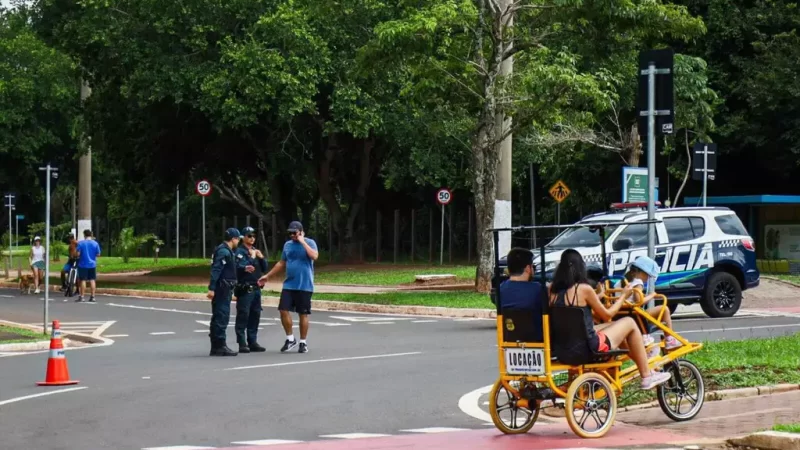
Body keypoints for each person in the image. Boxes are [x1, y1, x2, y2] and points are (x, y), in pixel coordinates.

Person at [548, 249, 671, 390]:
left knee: (614, 325)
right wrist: (623, 296)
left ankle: (643, 364)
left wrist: (599, 295)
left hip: (563, 349)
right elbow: (607, 314)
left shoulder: (552, 290)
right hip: (587, 348)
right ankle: (646, 375)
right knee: (629, 323)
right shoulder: (584, 289)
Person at [260, 221, 318, 354]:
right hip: (289, 284)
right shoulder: (287, 245)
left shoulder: (310, 243)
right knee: (283, 309)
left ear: (301, 232)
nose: (292, 235)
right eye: (290, 233)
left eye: (294, 233)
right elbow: (281, 263)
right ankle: (290, 339)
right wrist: (267, 276)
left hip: (304, 284)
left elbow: (314, 256)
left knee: (303, 313)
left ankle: (303, 342)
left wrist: (302, 241)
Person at [615, 256, 682, 352]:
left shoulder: (621, 281)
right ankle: (669, 339)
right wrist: (652, 295)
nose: (647, 278)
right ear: (642, 272)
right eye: (647, 275)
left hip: (621, 314)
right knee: (665, 309)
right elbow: (639, 301)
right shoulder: (638, 282)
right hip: (635, 315)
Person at [207, 228, 241, 356]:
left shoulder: (227, 251)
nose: (238, 241)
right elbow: (216, 270)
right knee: (221, 315)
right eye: (238, 239)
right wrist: (212, 288)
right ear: (233, 239)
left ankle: (218, 345)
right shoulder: (223, 251)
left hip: (225, 287)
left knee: (220, 315)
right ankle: (219, 345)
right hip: (222, 288)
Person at [234, 226, 268, 354]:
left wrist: (261, 257)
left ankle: (252, 341)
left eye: (254, 236)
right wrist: (252, 258)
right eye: (249, 236)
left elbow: (264, 268)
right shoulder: (239, 252)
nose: (252, 238)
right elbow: (243, 267)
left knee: (255, 315)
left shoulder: (255, 251)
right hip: (245, 288)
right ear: (243, 238)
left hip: (256, 288)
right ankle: (242, 342)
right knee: (243, 315)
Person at [498, 248, 544, 341]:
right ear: (528, 268)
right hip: (537, 341)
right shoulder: (538, 289)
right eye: (533, 266)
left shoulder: (501, 289)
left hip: (509, 340)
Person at [75, 229, 102, 303]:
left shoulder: (81, 243)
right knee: (92, 280)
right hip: (92, 264)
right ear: (91, 235)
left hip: (83, 264)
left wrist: (79, 255)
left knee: (83, 280)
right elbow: (98, 254)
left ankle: (82, 296)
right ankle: (93, 296)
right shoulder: (95, 243)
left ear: (84, 235)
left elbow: (77, 254)